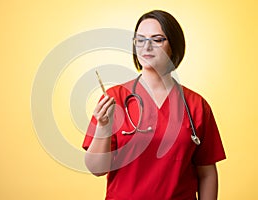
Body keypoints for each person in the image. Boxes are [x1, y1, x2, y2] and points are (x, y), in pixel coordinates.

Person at [82, 10, 226, 200]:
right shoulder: (114, 99)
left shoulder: (196, 105)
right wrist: (103, 128)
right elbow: (97, 169)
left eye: (157, 39)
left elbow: (207, 173)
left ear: (173, 46)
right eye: (140, 40)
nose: (146, 47)